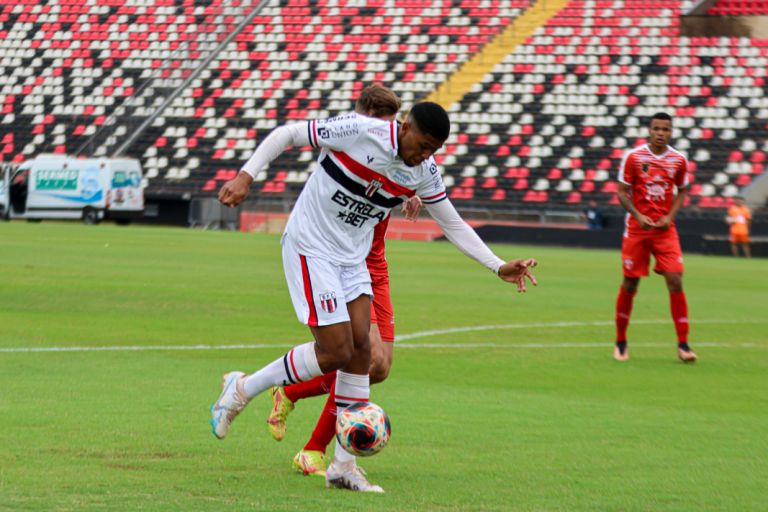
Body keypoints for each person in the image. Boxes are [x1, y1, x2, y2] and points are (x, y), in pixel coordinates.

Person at [211, 97, 538, 493]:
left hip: (352, 259)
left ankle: (342, 467)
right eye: (422, 143)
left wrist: (496, 265)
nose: (424, 154)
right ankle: (242, 390)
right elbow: (289, 133)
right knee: (335, 351)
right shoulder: (361, 131)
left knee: (362, 352)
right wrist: (246, 176)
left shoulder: (424, 172)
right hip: (311, 247)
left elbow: (451, 221)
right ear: (405, 127)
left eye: (434, 149)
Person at [266, 84, 418, 480]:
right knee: (360, 356)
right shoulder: (349, 141)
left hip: (373, 267)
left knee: (378, 367)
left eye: (390, 126)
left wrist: (413, 192)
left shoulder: (403, 152)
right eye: (377, 125)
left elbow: (416, 176)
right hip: (339, 260)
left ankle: (291, 392)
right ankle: (317, 451)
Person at [614, 112, 697, 363]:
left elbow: (682, 192)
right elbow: (621, 193)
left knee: (676, 282)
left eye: (666, 129)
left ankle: (683, 345)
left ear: (671, 132)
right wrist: (638, 215)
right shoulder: (633, 157)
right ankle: (620, 343)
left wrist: (669, 217)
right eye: (657, 128)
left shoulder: (679, 160)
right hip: (638, 230)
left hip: (665, 231)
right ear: (649, 131)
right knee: (630, 284)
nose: (661, 133)